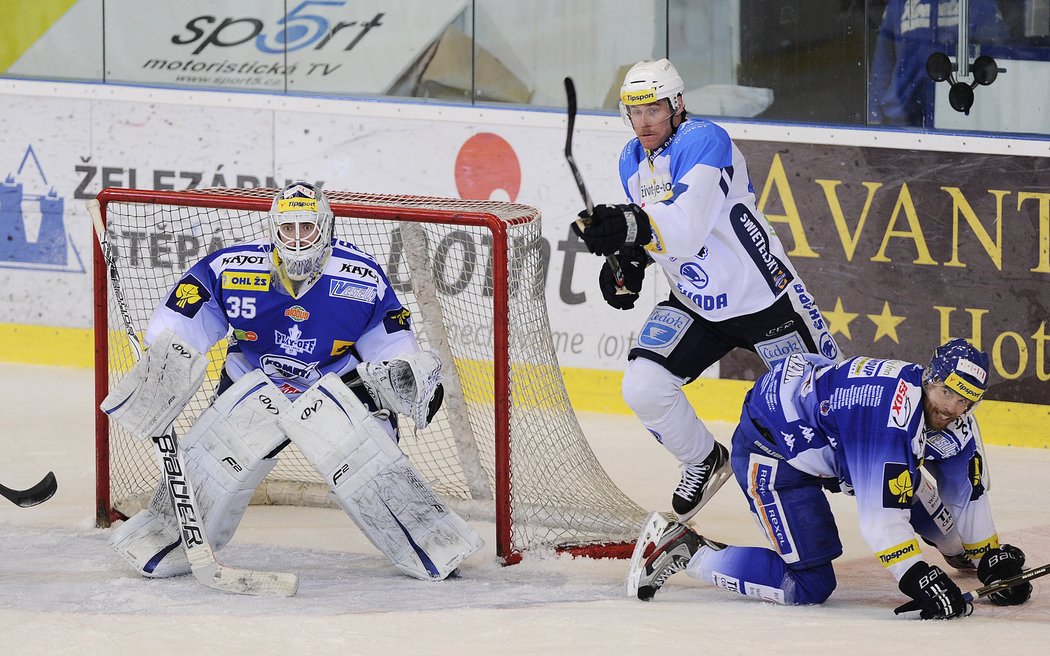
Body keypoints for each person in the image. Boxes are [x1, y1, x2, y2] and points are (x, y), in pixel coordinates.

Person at [103, 182, 482, 582]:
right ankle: (167, 538)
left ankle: (433, 541)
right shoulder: (230, 269)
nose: (298, 239)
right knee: (211, 461)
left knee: (368, 462)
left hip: (334, 383)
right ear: (273, 229)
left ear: (326, 228)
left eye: (308, 228)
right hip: (254, 377)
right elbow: (183, 315)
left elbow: (391, 342)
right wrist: (166, 355)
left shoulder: (361, 277)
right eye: (289, 229)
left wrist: (409, 375)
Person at [571, 58, 841, 523]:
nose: (644, 121)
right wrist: (628, 261)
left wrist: (629, 227)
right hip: (697, 304)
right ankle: (702, 459)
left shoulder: (704, 140)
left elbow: (686, 229)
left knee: (839, 414)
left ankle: (940, 522)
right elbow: (656, 231)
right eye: (634, 112)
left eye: (653, 108)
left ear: (677, 105)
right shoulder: (630, 158)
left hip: (765, 300)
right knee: (645, 386)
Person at [627, 338, 1034, 619]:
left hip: (826, 427)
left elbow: (966, 492)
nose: (954, 409)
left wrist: (986, 559)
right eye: (948, 393)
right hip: (774, 451)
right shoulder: (888, 422)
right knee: (808, 585)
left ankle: (964, 553)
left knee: (951, 535)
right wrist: (915, 575)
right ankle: (685, 550)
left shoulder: (951, 415)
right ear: (930, 378)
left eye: (966, 400)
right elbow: (880, 518)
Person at [869, 0, 1007, 126]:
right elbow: (883, 64)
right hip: (903, 118)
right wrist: (873, 116)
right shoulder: (899, 4)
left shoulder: (981, 4)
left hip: (962, 119)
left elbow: (998, 60)